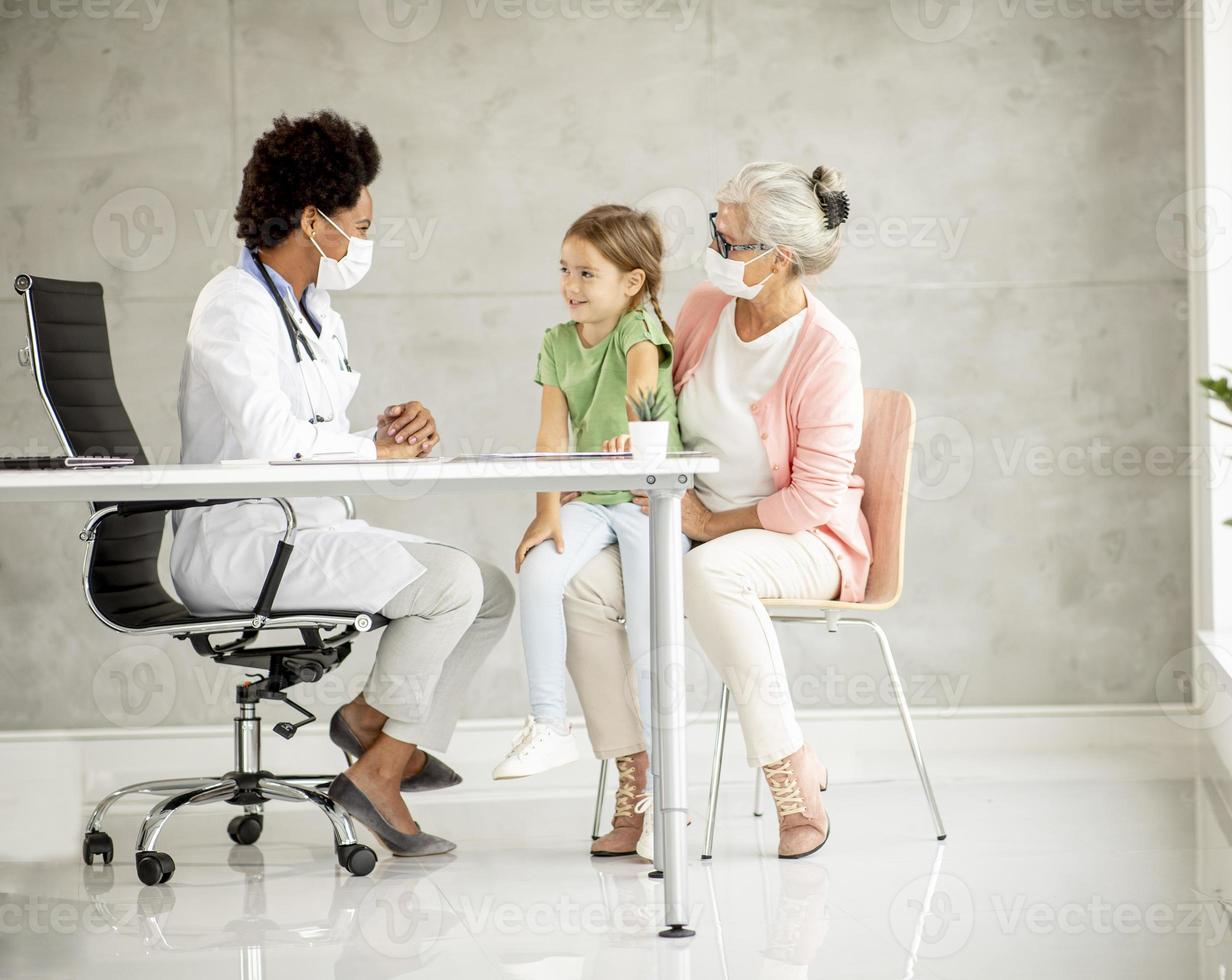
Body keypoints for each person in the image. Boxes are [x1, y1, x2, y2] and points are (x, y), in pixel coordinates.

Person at [173, 110, 515, 857]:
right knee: (453, 584)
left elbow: (320, 440)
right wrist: (372, 453)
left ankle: (376, 741)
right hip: (243, 543)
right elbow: (273, 444)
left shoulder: (314, 311)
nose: (365, 242)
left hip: (305, 530)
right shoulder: (232, 309)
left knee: (489, 590)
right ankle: (377, 757)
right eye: (360, 226)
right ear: (311, 220)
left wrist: (389, 438)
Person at [568, 163, 867, 859]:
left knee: (712, 575)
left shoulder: (826, 350)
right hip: (689, 525)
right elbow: (656, 409)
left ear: (779, 258)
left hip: (802, 538)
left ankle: (789, 773)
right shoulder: (706, 307)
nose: (713, 250)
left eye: (728, 242)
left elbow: (814, 498)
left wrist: (706, 525)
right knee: (583, 583)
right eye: (716, 229)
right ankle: (637, 775)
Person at [493, 205, 684, 797]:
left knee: (654, 630)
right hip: (593, 498)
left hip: (649, 499)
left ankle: (667, 789)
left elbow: (642, 390)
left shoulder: (638, 328)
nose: (570, 286)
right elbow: (551, 436)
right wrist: (546, 510)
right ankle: (550, 723)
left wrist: (637, 429)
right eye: (565, 271)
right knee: (540, 572)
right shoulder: (555, 343)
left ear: (632, 283)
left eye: (586, 274)